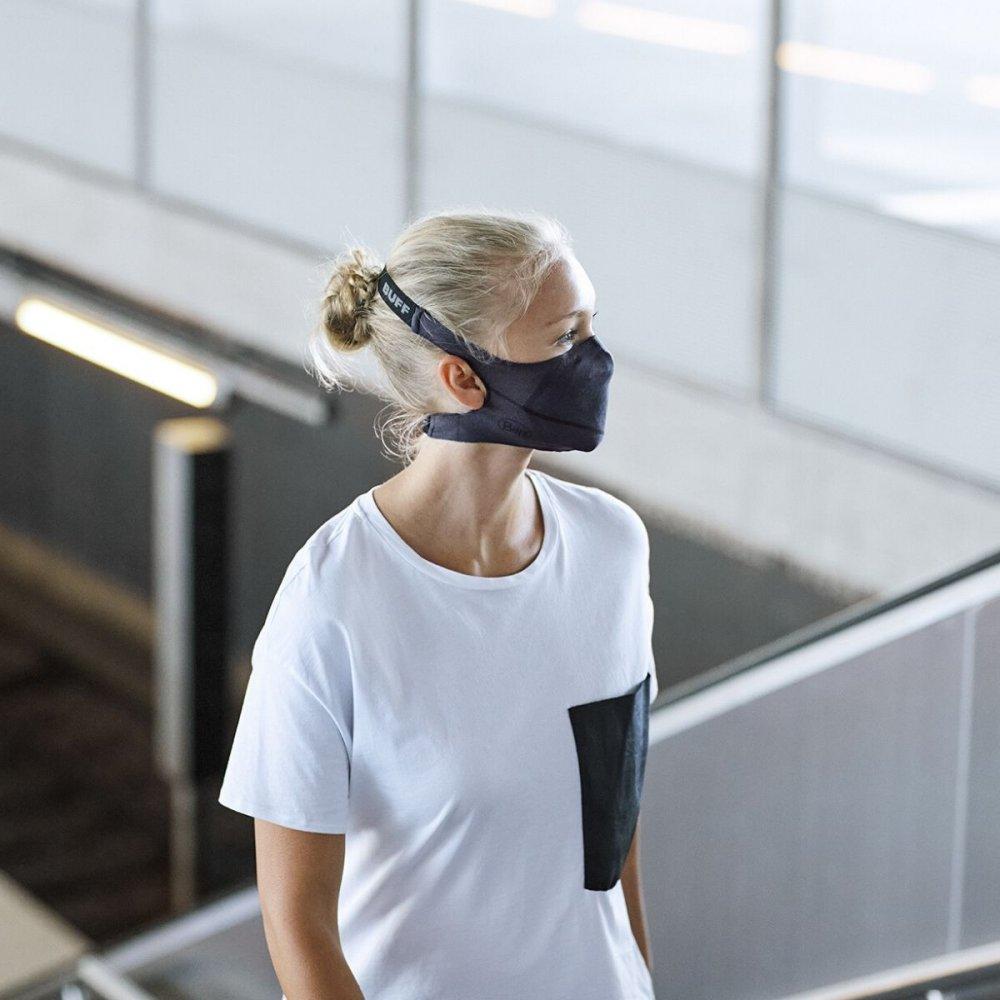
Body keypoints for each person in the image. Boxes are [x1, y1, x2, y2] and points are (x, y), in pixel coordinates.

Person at [218, 209, 659, 999]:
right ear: (464, 377)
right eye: (566, 338)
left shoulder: (613, 550)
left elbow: (615, 837)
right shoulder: (335, 598)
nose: (596, 361)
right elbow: (298, 925)